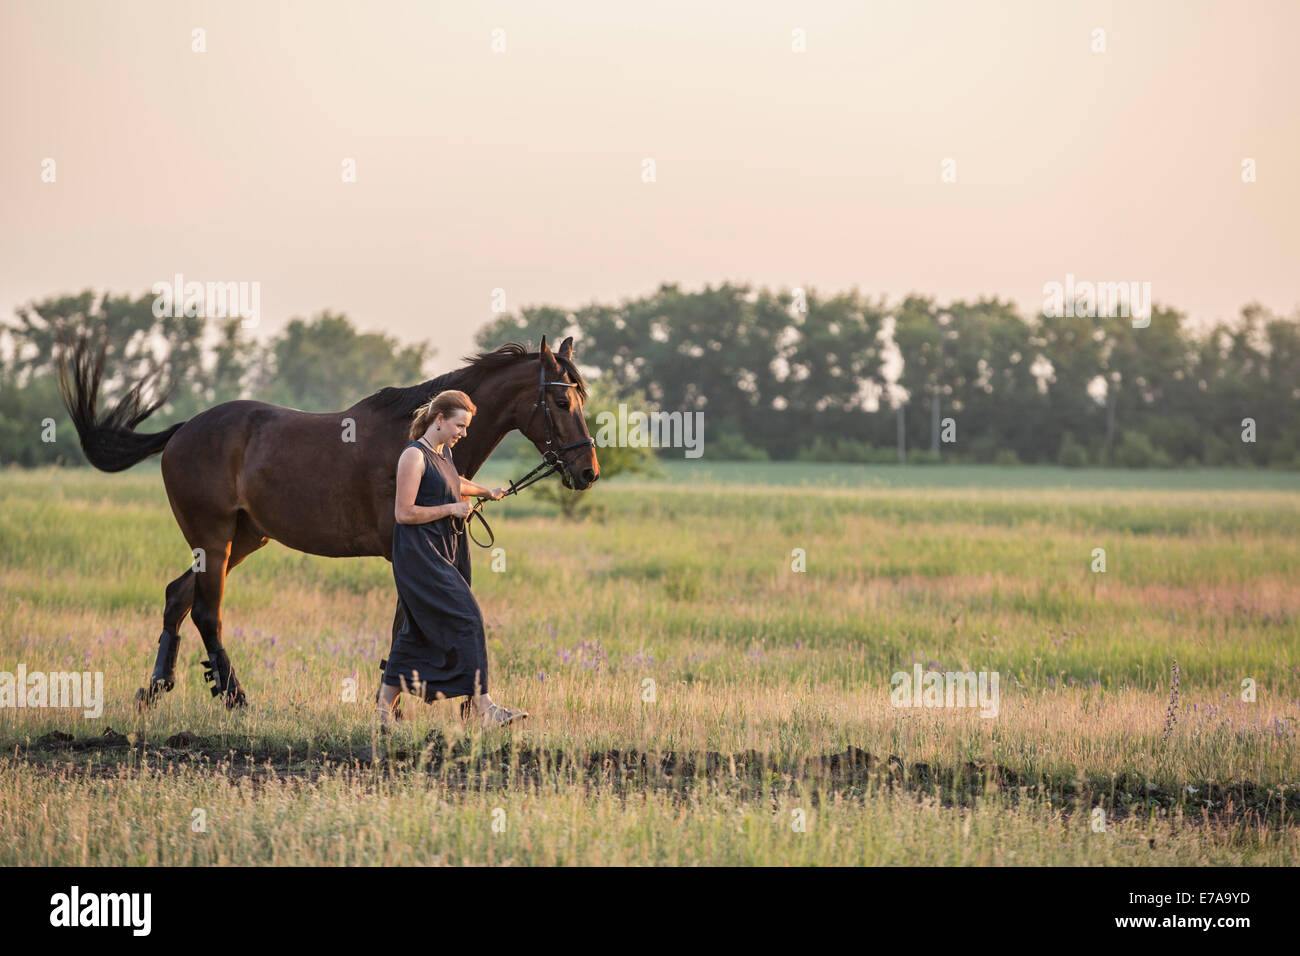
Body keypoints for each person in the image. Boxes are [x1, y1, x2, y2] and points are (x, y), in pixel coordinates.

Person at [376, 388, 529, 729]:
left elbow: (453, 481)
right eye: (460, 425)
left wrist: (486, 491)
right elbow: (403, 513)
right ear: (440, 419)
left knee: (414, 629)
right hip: (418, 555)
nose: (464, 433)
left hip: (443, 549)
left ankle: (382, 713)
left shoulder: (442, 453)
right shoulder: (413, 457)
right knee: (468, 618)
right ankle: (485, 708)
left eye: (466, 427)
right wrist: (452, 509)